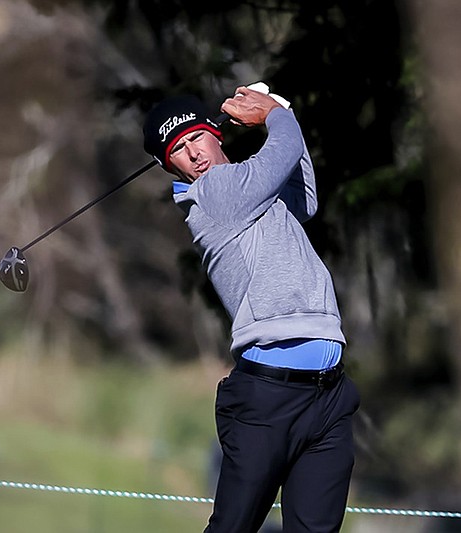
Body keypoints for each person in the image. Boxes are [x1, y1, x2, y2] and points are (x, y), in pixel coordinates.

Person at [142, 85, 360, 533]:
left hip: (328, 397)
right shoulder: (214, 196)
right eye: (178, 152)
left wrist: (284, 111)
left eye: (196, 139)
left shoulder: (253, 192)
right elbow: (281, 153)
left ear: (216, 134)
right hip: (267, 400)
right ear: (171, 169)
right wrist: (276, 115)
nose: (194, 156)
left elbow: (305, 198)